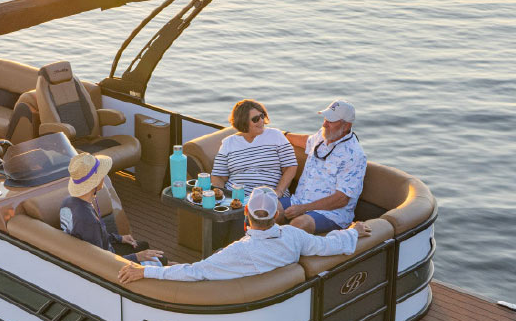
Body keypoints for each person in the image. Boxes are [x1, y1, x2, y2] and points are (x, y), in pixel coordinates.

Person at [118, 187, 368, 284]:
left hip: (222, 296)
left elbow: (196, 273)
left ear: (246, 212)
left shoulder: (237, 252)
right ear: (276, 214)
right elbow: (327, 246)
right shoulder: (294, 236)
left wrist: (144, 271)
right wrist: (352, 231)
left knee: (157, 263)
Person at [282, 99, 367, 234]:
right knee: (265, 207)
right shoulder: (323, 135)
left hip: (331, 215)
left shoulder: (355, 155)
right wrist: (283, 134)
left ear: (346, 126)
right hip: (299, 202)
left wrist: (303, 208)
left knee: (299, 224)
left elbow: (341, 199)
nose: (325, 124)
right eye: (325, 118)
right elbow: (306, 141)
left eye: (331, 121)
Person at [61, 152, 163, 264]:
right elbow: (102, 262)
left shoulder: (67, 202)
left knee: (144, 245)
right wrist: (137, 257)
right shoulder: (88, 220)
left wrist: (119, 238)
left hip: (100, 249)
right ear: (96, 182)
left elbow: (91, 236)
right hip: (108, 261)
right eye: (101, 175)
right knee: (161, 259)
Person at [210, 99, 298, 200]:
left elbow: (290, 167)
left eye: (262, 116)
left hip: (269, 197)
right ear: (243, 122)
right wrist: (220, 197)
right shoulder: (228, 143)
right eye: (255, 119)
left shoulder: (276, 135)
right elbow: (219, 176)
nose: (261, 121)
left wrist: (279, 191)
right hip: (236, 197)